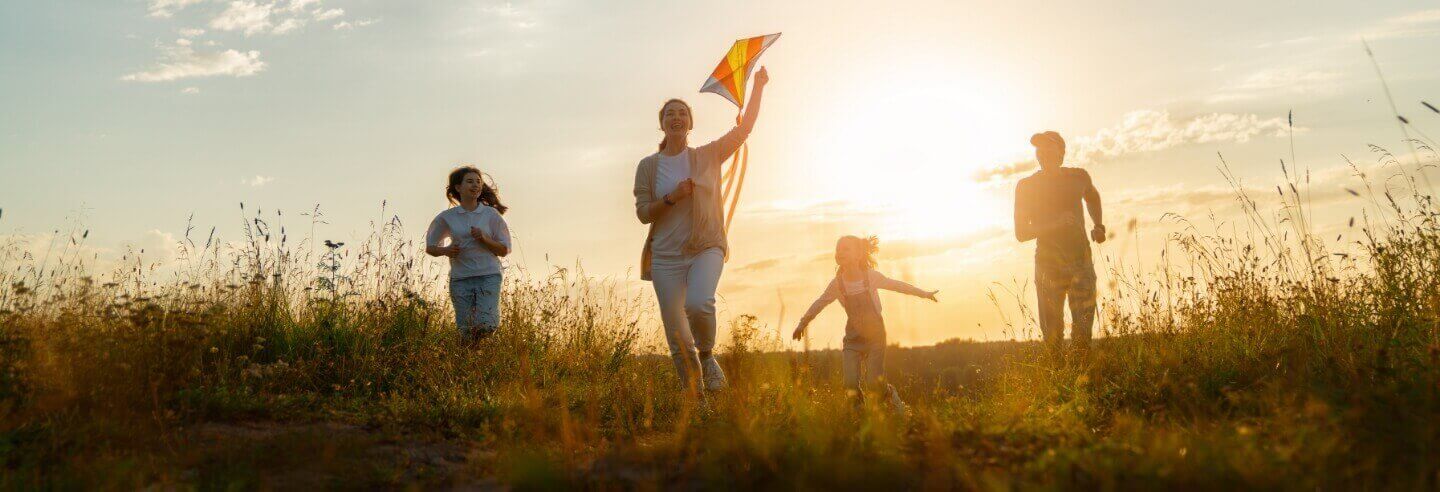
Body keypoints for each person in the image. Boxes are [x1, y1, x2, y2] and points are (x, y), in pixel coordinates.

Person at [633, 67, 770, 396]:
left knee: (698, 304)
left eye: (682, 113)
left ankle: (708, 356)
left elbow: (744, 130)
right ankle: (696, 404)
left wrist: (759, 87)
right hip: (665, 256)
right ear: (662, 123)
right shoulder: (648, 166)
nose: (676, 118)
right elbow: (642, 213)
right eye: (670, 114)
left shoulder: (708, 155)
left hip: (706, 246)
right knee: (678, 336)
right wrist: (672, 197)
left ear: (690, 123)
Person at [791, 235, 938, 414]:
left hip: (876, 336)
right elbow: (819, 303)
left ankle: (890, 394)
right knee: (850, 384)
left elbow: (897, 285)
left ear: (859, 254)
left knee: (874, 384)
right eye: (839, 249)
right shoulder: (837, 284)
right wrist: (802, 324)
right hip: (853, 338)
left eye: (846, 248)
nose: (840, 252)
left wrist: (923, 293)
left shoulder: (871, 277)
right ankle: (859, 414)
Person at [1014, 131, 1105, 360]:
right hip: (1048, 265)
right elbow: (1021, 233)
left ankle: (1083, 386)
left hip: (1081, 262)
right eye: (1038, 148)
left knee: (1083, 334)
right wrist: (1055, 224)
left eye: (1048, 146)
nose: (1042, 151)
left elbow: (1092, 197)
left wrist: (1099, 225)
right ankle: (1060, 391)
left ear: (1061, 152)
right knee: (1052, 337)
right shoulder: (1027, 186)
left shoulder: (1078, 177)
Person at [426, 166, 512, 341]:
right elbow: (431, 247)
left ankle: (478, 352)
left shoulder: (490, 214)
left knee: (487, 325)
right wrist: (446, 250)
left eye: (478, 182)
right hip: (461, 279)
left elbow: (504, 249)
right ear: (458, 187)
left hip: (488, 276)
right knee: (465, 331)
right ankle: (472, 361)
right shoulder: (447, 217)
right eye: (470, 181)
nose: (476, 185)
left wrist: (484, 238)